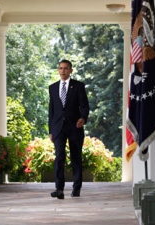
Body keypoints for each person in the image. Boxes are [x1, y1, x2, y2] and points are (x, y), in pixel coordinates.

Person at [48, 59, 89, 199]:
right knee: (59, 157)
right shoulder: (52, 88)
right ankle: (59, 189)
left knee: (75, 158)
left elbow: (84, 105)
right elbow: (51, 111)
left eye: (66, 68)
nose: (63, 71)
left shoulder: (78, 86)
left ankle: (76, 188)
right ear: (58, 70)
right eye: (60, 68)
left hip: (75, 127)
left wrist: (83, 118)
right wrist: (50, 131)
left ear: (71, 70)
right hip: (58, 128)